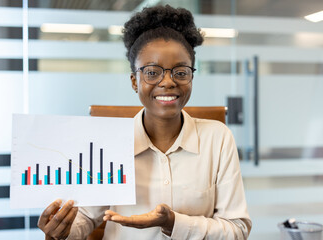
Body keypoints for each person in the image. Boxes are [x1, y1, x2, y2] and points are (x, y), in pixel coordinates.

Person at [38, 4, 251, 240]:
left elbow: (237, 230)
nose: (168, 82)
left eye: (180, 72)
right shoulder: (108, 142)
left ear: (192, 77)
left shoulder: (217, 138)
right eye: (152, 72)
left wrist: (173, 223)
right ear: (134, 81)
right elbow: (87, 218)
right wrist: (59, 232)